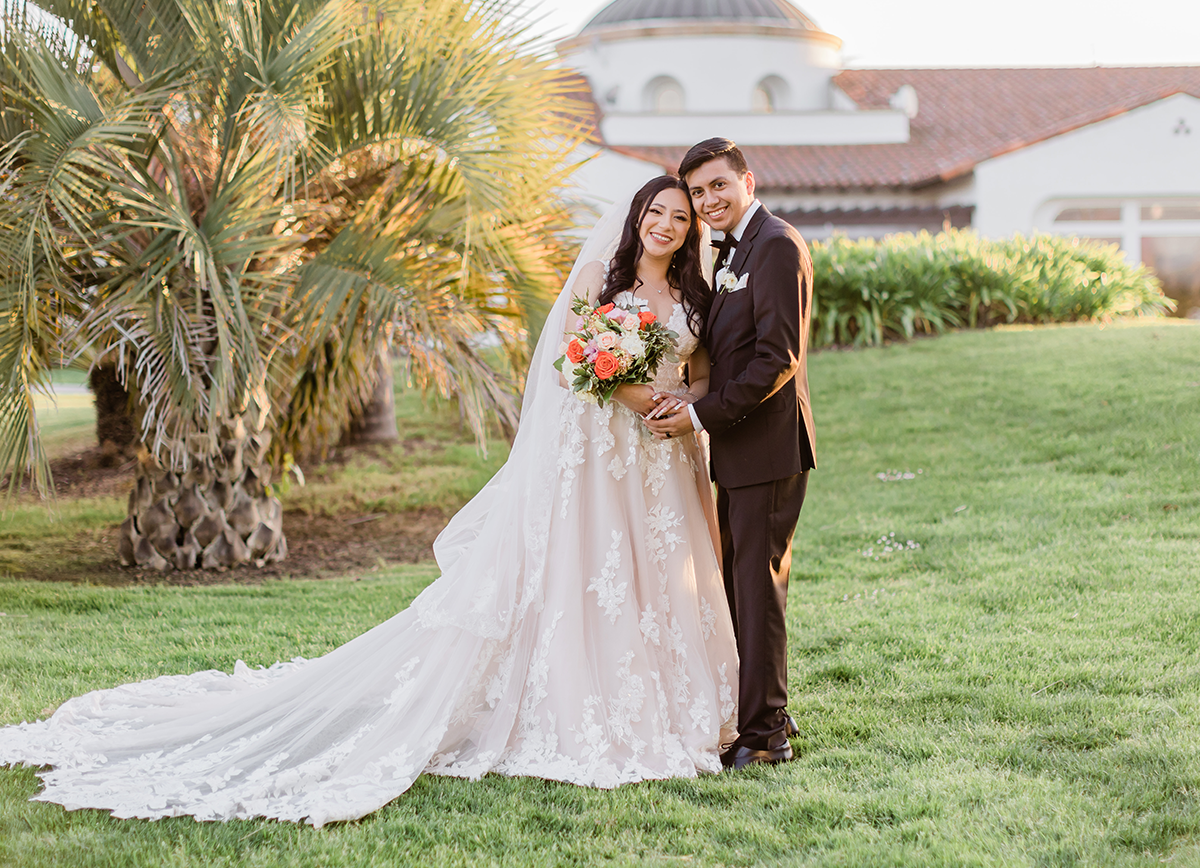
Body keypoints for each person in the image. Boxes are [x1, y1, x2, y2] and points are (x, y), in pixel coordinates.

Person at [0, 176, 738, 828]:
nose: (667, 224)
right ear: (638, 216)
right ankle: (579, 699)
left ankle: (668, 702)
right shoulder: (597, 282)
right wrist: (643, 393)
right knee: (588, 572)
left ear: (690, 231)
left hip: (658, 462)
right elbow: (576, 363)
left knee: (647, 574)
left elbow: (701, 374)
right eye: (658, 211)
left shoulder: (695, 298)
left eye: (680, 217)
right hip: (599, 458)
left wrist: (682, 405)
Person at [647, 138, 816, 770]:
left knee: (757, 585)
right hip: (739, 447)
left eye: (719, 186)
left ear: (747, 180)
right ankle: (764, 707)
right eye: (698, 192)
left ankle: (767, 735)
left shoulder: (774, 244)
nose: (708, 200)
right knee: (741, 585)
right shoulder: (730, 248)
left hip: (769, 447)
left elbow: (778, 357)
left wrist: (697, 414)